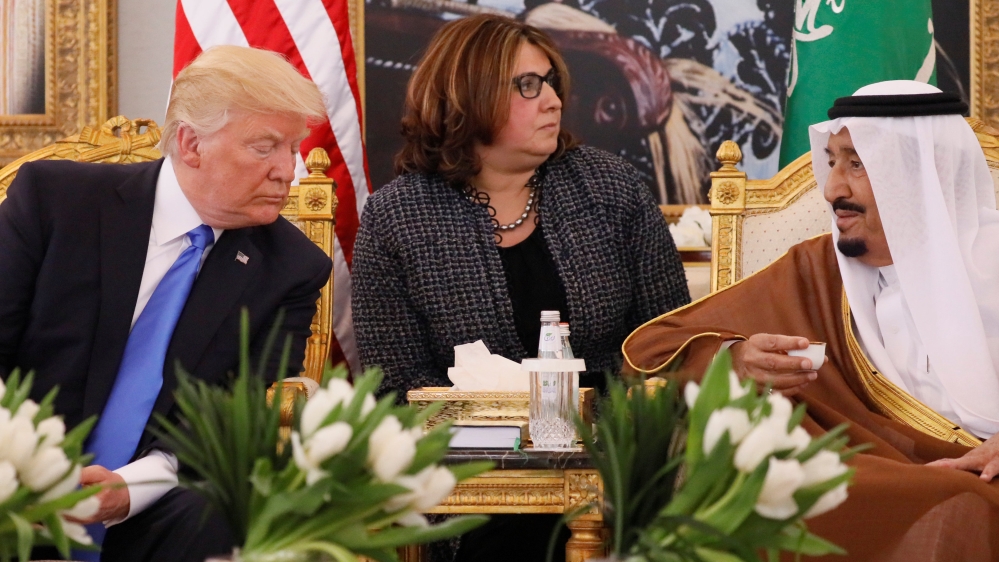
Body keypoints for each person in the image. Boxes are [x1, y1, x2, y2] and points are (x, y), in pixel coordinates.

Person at [351, 14, 689, 562]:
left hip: (613, 457)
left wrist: (594, 430)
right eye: (528, 86)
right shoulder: (397, 217)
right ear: (468, 95)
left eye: (552, 81)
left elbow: (670, 343)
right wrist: (505, 438)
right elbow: (396, 387)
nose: (553, 100)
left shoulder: (611, 188)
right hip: (471, 476)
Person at [623, 80, 999, 561]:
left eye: (856, 164)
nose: (831, 188)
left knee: (961, 510)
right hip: (873, 482)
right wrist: (735, 360)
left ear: (920, 172)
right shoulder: (816, 271)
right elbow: (653, 350)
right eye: (833, 160)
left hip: (983, 486)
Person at [0, 45, 333, 562]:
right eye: (266, 147)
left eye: (293, 148)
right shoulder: (56, 203)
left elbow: (234, 421)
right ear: (191, 143)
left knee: (221, 512)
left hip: (152, 507)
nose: (286, 171)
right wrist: (18, 469)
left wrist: (127, 488)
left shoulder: (290, 268)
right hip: (12, 477)